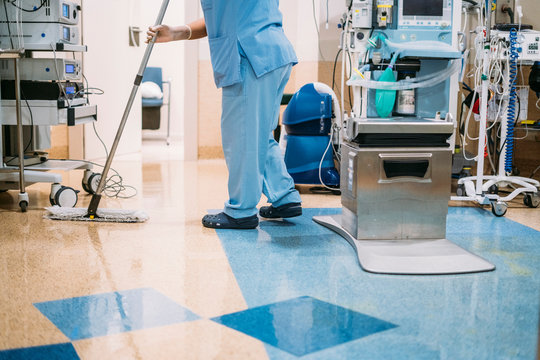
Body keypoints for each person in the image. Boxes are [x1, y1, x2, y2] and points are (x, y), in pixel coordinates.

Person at [147, 0, 302, 230]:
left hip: (250, 56)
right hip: (273, 54)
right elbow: (219, 21)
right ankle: (284, 196)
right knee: (259, 136)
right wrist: (177, 31)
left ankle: (241, 211)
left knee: (242, 139)